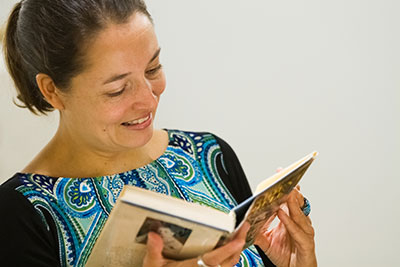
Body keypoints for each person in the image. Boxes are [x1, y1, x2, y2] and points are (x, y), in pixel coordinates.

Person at [0, 0, 317, 266]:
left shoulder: (209, 155)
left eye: (153, 69)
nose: (149, 98)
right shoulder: (19, 216)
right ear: (51, 90)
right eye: (118, 88)